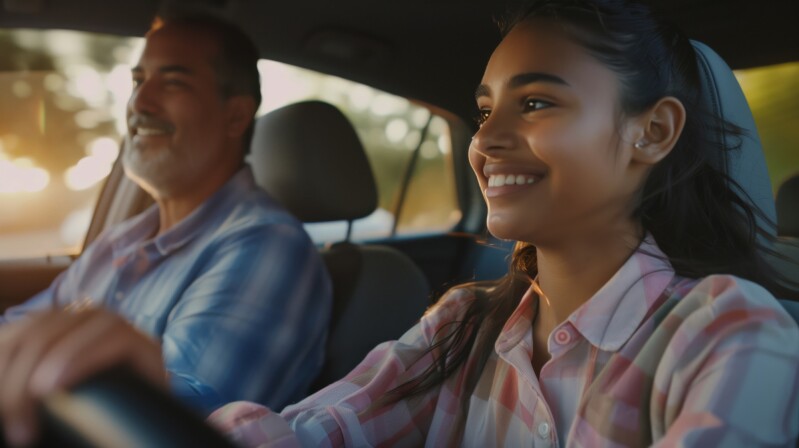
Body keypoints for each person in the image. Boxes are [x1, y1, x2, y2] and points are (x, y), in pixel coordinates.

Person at [1, 0, 797, 446]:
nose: (486, 139)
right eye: (483, 111)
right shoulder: (461, 325)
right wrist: (152, 407)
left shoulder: (729, 330)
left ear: (651, 132)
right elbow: (311, 433)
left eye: (535, 102)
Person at [0, 11, 332, 418]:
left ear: (235, 116)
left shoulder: (268, 246)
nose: (139, 102)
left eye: (174, 82)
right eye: (138, 81)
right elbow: (16, 332)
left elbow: (178, 421)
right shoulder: (118, 242)